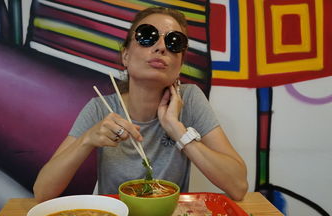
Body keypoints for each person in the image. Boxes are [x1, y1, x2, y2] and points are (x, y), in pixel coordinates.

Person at [33, 7, 248, 202]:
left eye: (174, 42)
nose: (162, 47)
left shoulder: (188, 99)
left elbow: (238, 187)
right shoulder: (101, 108)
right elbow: (43, 191)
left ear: (180, 64)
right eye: (147, 37)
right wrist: (87, 139)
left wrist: (178, 130)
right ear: (126, 56)